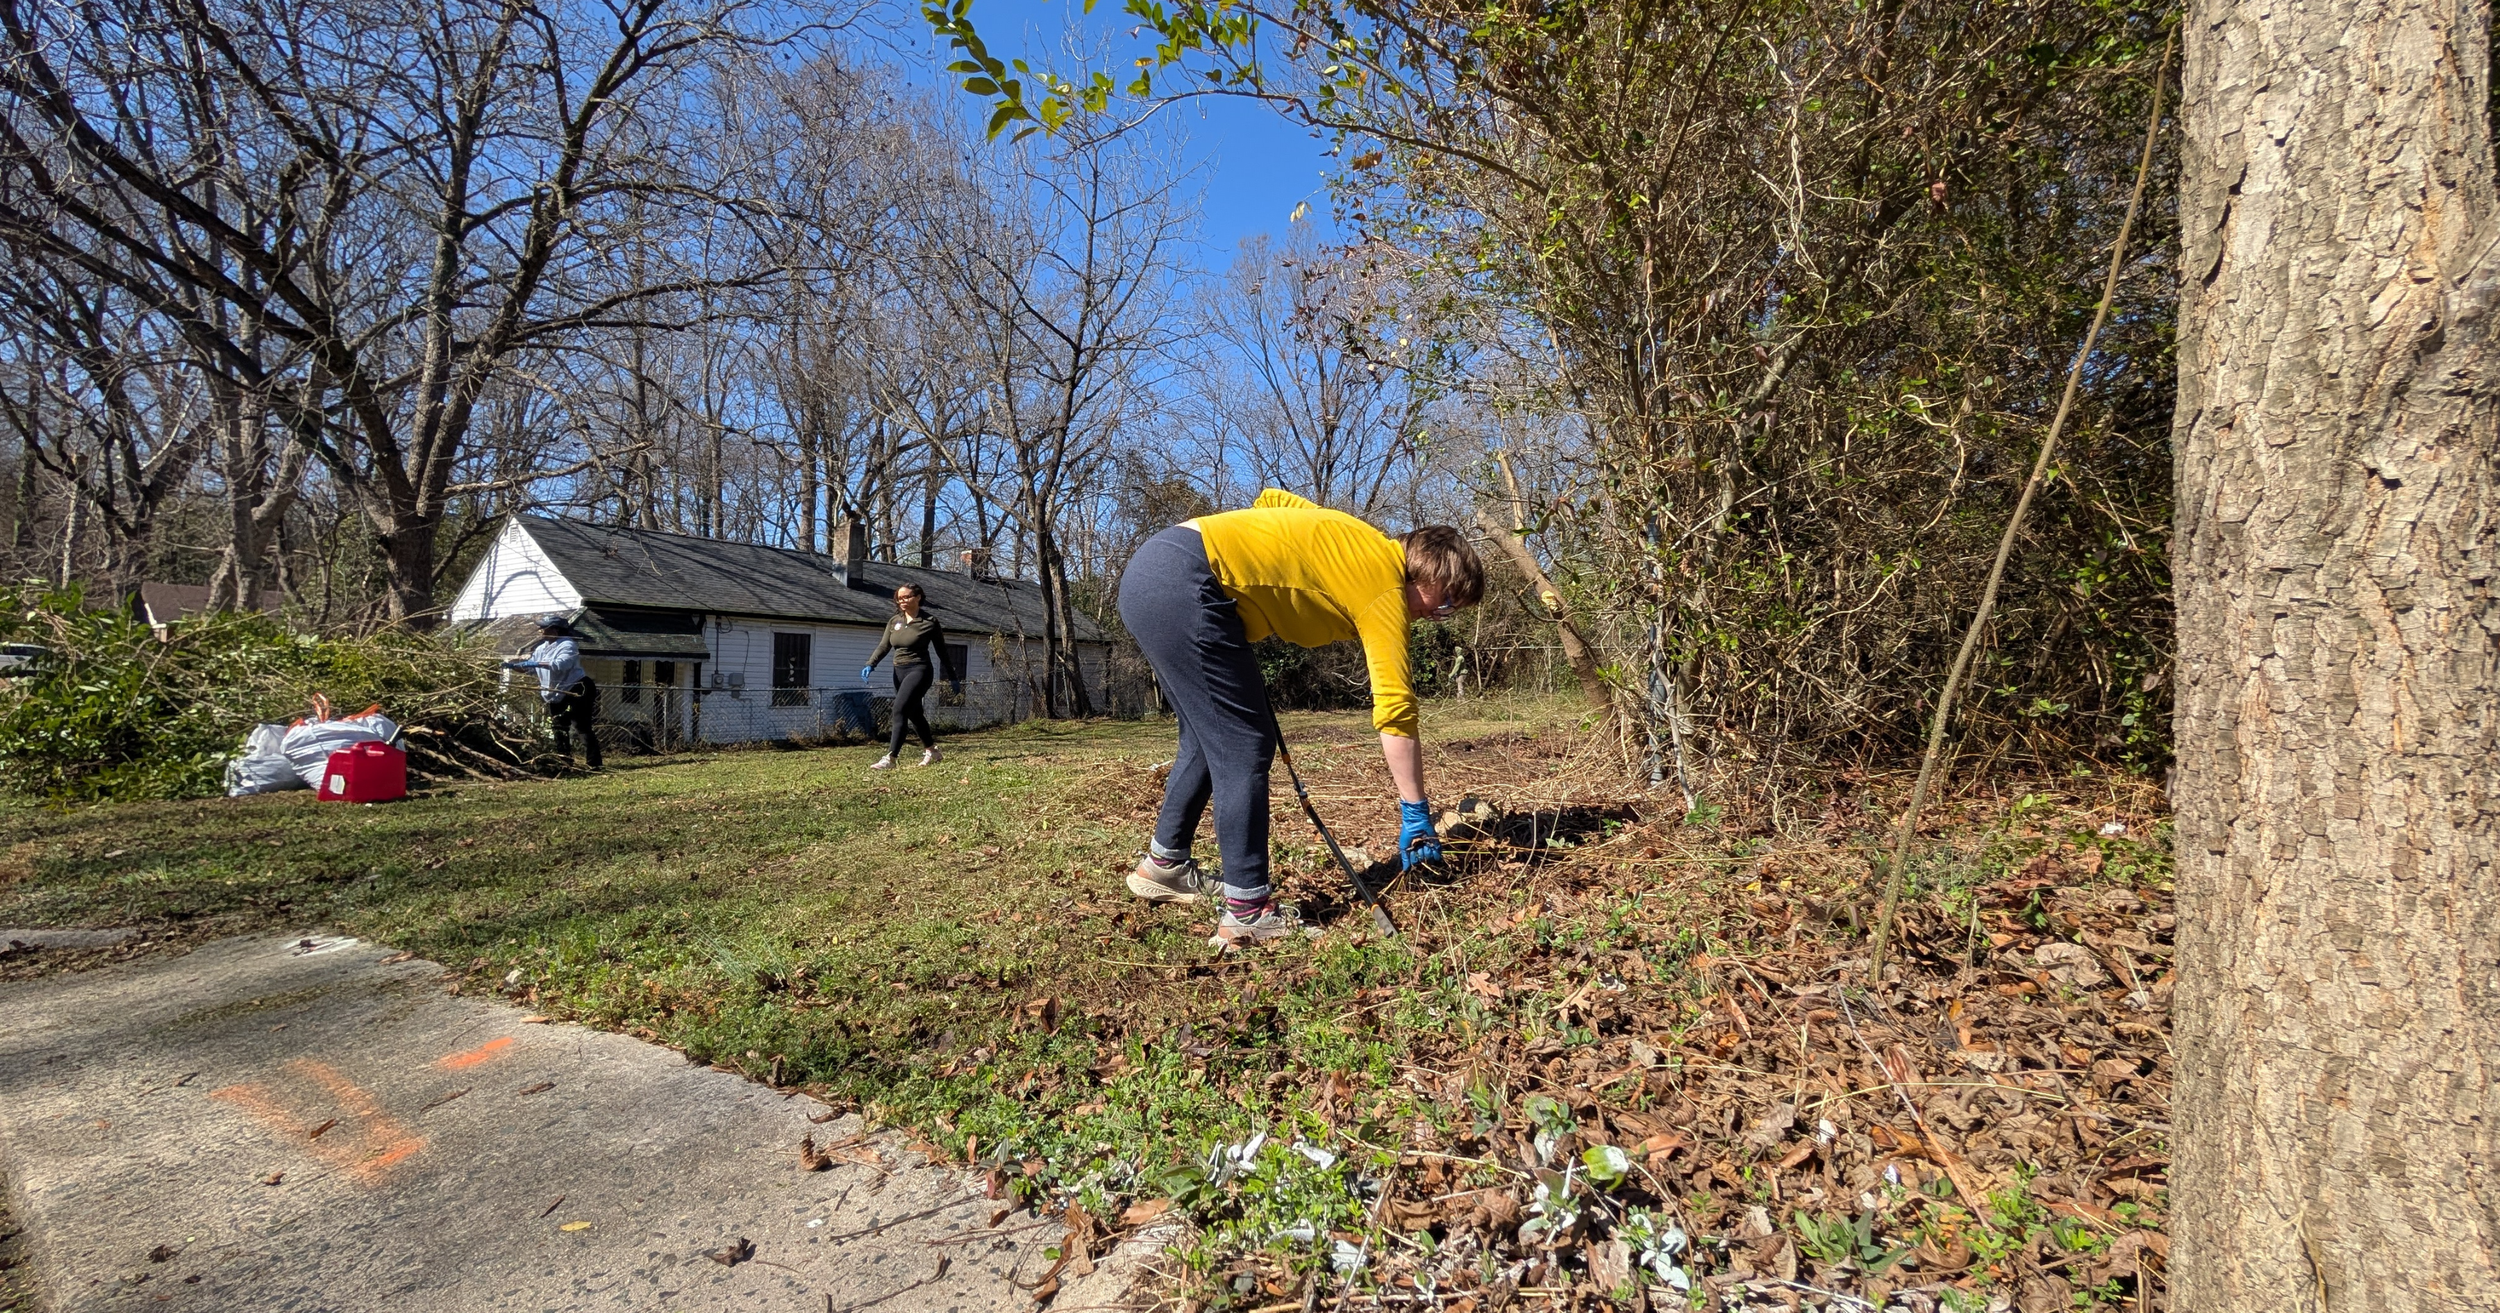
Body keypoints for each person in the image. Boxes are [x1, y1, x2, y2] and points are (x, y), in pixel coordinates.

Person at [1116, 488, 1485, 950]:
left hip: (1157, 570)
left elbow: (1275, 501)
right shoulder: (1384, 585)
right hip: (1186, 583)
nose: (1437, 615)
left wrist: (1250, 577)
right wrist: (1415, 810)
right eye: (1446, 602)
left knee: (1206, 737)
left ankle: (1164, 866)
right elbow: (1395, 707)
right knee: (1244, 745)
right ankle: (1248, 912)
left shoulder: (1357, 538)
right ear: (1428, 570)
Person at [861, 583, 946, 771]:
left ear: (918, 597)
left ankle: (891, 758)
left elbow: (942, 651)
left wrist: (953, 676)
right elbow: (884, 646)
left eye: (906, 597)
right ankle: (932, 751)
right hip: (899, 671)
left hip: (920, 670)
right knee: (915, 714)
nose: (902, 601)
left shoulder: (929, 621)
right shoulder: (894, 622)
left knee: (899, 709)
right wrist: (870, 663)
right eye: (899, 598)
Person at [504, 613, 603, 770]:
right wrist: (516, 667)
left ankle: (594, 763)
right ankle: (565, 762)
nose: (540, 631)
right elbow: (532, 669)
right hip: (556, 692)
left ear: (555, 630)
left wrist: (534, 663)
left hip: (577, 688)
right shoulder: (541, 648)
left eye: (543, 628)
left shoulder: (567, 645)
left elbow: (560, 665)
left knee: (581, 726)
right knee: (558, 727)